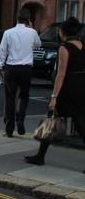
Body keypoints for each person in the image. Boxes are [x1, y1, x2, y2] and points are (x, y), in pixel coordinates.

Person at [24, 17, 85, 166]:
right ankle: (39, 156)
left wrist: (53, 97)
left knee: (51, 119)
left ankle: (40, 156)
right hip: (82, 86)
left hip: (68, 87)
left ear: (63, 32)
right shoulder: (84, 46)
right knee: (80, 123)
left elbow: (61, 74)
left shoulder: (64, 48)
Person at [0, 8, 41, 137]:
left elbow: (2, 50)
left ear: (16, 19)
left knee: (10, 97)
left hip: (11, 68)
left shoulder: (8, 33)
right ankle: (20, 119)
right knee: (24, 96)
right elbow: (38, 44)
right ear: (28, 20)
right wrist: (32, 28)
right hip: (26, 69)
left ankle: (9, 128)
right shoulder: (32, 32)